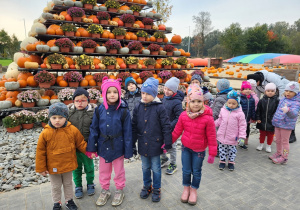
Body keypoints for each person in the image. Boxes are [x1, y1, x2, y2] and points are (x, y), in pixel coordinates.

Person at [86, 77, 133, 207]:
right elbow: (94, 129)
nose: (112, 95)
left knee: (119, 171)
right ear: (104, 94)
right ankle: (105, 190)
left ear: (119, 93)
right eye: (109, 92)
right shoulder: (99, 110)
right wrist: (91, 147)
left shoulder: (124, 110)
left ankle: (119, 190)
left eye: (115, 92)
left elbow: (128, 131)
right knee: (104, 170)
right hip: (103, 146)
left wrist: (128, 150)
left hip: (118, 146)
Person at [36, 102, 87, 210]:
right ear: (50, 118)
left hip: (68, 164)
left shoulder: (72, 130)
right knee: (55, 186)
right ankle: (57, 202)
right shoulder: (45, 133)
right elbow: (40, 152)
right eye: (54, 117)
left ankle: (69, 200)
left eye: (60, 117)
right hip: (53, 166)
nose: (57, 120)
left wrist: (90, 151)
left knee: (68, 183)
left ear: (66, 118)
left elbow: (80, 143)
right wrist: (41, 168)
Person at [172, 84, 217, 205]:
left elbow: (212, 136)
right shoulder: (183, 116)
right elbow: (177, 131)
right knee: (186, 170)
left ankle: (193, 190)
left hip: (199, 150)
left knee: (196, 171)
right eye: (193, 101)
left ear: (203, 102)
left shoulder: (208, 118)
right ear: (188, 102)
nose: (196, 104)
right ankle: (186, 188)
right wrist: (167, 143)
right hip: (186, 148)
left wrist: (212, 153)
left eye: (199, 101)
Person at [132, 77, 172, 202]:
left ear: (154, 94)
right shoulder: (138, 107)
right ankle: (147, 186)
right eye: (143, 93)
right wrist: (132, 143)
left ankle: (156, 188)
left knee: (156, 167)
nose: (144, 96)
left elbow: (166, 125)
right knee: (145, 167)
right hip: (143, 143)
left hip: (156, 144)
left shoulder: (160, 107)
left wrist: (167, 141)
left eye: (148, 94)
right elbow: (133, 126)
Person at [247, 70, 297, 143]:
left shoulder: (270, 76)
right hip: (274, 94)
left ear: (258, 81)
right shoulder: (256, 85)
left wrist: (281, 101)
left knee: (286, 114)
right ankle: (273, 134)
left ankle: (292, 135)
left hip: (288, 92)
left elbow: (281, 86)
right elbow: (257, 96)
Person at [67, 87, 97, 199]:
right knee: (76, 168)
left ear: (88, 101)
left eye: (83, 100)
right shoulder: (69, 113)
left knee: (89, 167)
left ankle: (90, 183)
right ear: (73, 101)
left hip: (87, 147)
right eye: (77, 101)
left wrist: (94, 146)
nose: (80, 103)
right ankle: (78, 186)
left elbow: (95, 130)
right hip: (74, 148)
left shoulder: (92, 113)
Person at [215, 90, 247, 171]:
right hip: (222, 135)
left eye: (233, 103)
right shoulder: (223, 110)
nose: (231, 105)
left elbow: (242, 126)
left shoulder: (240, 114)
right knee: (222, 149)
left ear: (238, 103)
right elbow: (219, 120)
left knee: (232, 151)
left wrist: (242, 137)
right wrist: (212, 124)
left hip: (233, 137)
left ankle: (231, 162)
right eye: (229, 103)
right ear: (227, 102)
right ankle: (222, 161)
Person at [271, 82, 300, 164]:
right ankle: (279, 153)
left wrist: (288, 111)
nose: (288, 93)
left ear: (295, 92)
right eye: (286, 90)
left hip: (286, 125)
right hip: (278, 123)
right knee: (278, 140)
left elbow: (294, 114)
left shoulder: (296, 102)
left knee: (285, 141)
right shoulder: (283, 99)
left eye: (291, 91)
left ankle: (284, 157)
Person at [160, 77, 184, 175]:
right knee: (160, 144)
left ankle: (173, 164)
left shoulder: (177, 102)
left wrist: (170, 126)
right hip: (162, 127)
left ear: (174, 90)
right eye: (165, 88)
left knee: (172, 147)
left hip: (171, 129)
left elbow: (179, 117)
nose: (166, 91)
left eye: (169, 90)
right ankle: (164, 158)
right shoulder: (164, 98)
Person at [256, 83, 279, 153]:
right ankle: (261, 144)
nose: (270, 92)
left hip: (271, 121)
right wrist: (258, 118)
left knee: (270, 134)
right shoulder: (261, 101)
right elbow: (258, 110)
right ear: (265, 91)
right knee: (262, 133)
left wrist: (274, 119)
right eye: (268, 91)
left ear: (275, 92)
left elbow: (277, 111)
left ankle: (269, 145)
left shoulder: (277, 101)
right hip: (262, 121)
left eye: (272, 91)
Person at [240, 81, 256, 149]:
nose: (248, 90)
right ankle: (239, 142)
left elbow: (252, 109)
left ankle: (243, 142)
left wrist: (253, 117)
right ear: (242, 90)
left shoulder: (252, 99)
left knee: (246, 130)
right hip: (240, 119)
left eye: (249, 89)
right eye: (246, 89)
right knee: (240, 130)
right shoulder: (240, 98)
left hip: (247, 118)